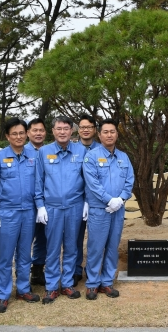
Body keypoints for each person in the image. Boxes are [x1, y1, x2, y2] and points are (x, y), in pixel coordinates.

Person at [0, 118, 41, 313]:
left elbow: (38, 184)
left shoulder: (34, 156)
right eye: (14, 133)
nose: (18, 136)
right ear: (7, 136)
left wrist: (39, 207)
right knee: (5, 255)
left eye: (21, 133)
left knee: (25, 254)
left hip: (29, 212)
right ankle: (3, 294)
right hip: (7, 213)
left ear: (26, 134)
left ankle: (23, 289)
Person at [35, 116, 87, 303]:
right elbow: (38, 181)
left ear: (72, 130)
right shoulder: (44, 152)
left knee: (72, 247)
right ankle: (51, 286)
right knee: (53, 248)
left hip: (75, 206)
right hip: (52, 208)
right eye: (59, 128)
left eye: (66, 128)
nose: (63, 132)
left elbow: (87, 179)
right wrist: (40, 205)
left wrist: (87, 202)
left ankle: (67, 284)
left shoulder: (81, 151)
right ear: (53, 131)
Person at [82, 119, 135, 300]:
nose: (109, 135)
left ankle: (107, 282)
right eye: (105, 132)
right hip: (100, 209)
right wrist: (109, 200)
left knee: (113, 247)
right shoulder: (92, 156)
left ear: (117, 134)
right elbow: (92, 183)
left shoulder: (123, 157)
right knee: (96, 247)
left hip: (118, 209)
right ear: (99, 134)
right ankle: (92, 284)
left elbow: (129, 181)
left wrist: (120, 199)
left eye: (112, 131)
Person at [73, 114, 100, 287]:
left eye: (89, 127)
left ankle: (93, 271)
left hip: (97, 201)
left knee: (96, 239)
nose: (85, 130)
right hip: (77, 201)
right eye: (82, 127)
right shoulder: (73, 149)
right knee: (75, 237)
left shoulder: (102, 149)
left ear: (95, 130)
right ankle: (75, 270)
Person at [26, 118, 47, 286]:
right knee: (25, 240)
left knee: (43, 238)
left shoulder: (49, 151)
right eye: (35, 130)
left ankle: (37, 271)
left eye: (41, 130)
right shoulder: (21, 150)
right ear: (28, 133)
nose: (38, 133)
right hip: (26, 205)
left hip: (46, 204)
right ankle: (22, 277)